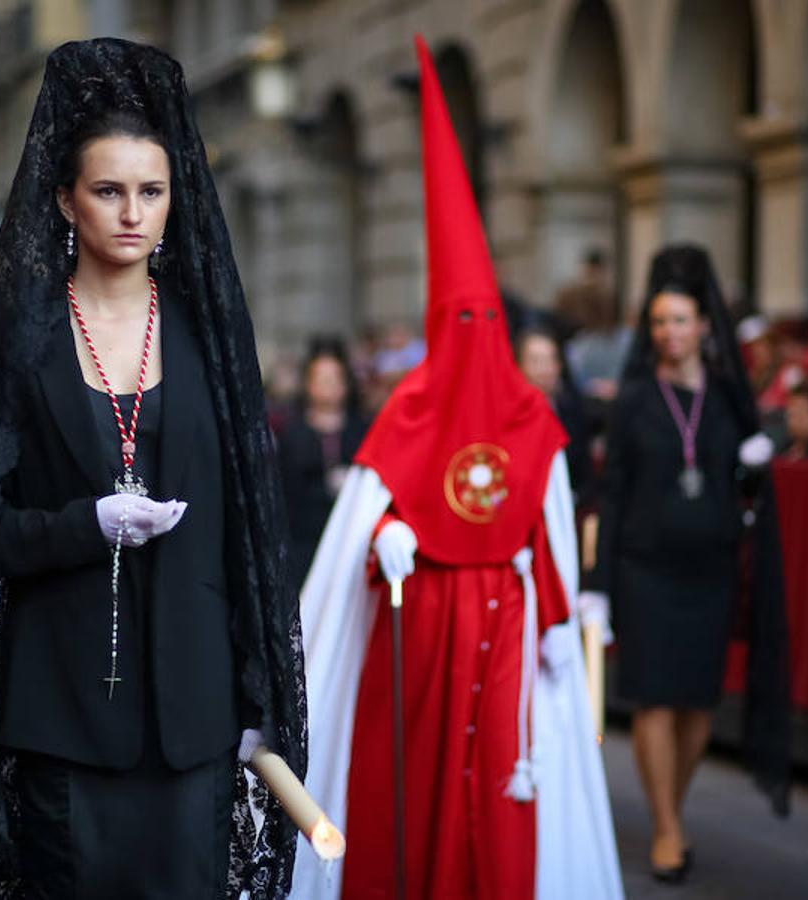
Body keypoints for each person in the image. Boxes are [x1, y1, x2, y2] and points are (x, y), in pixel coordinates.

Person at [0, 40, 307, 899]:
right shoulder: (21, 340)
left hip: (193, 714)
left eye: (152, 192)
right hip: (63, 704)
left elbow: (250, 523)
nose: (132, 214)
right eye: (108, 191)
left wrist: (261, 688)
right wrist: (84, 524)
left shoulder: (208, 335)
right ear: (66, 200)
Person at [294, 38, 621, 900]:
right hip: (423, 622)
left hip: (507, 624)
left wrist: (554, 616)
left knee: (503, 795)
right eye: (460, 316)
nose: (475, 332)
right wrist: (389, 540)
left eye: (488, 316)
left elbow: (549, 527)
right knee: (415, 781)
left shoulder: (531, 416)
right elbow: (363, 524)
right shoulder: (406, 411)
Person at [583, 243, 790, 882]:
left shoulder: (730, 397)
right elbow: (612, 492)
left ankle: (671, 808)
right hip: (646, 566)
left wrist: (754, 470)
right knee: (654, 701)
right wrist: (598, 585)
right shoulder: (636, 400)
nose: (670, 333)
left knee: (699, 702)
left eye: (680, 320)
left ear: (704, 325)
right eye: (659, 322)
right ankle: (668, 828)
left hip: (710, 567)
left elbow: (748, 493)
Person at [279, 338, 370, 585]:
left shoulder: (363, 431)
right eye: (321, 378)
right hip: (305, 545)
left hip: (353, 543)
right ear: (308, 383)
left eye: (335, 378)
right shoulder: (292, 435)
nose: (328, 385)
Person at [514, 327, 595, 503]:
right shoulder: (510, 420)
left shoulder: (572, 413)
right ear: (518, 367)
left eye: (550, 360)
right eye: (536, 361)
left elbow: (585, 474)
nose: (545, 370)